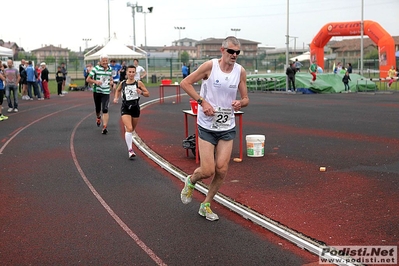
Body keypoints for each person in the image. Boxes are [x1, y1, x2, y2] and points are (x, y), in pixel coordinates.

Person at [179, 36, 249, 221]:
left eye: (237, 52)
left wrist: (240, 103)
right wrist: (202, 102)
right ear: (222, 50)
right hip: (207, 125)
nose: (234, 55)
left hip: (227, 126)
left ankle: (206, 204)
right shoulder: (210, 67)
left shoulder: (240, 71)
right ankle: (191, 180)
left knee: (222, 169)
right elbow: (185, 83)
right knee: (208, 170)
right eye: (231, 51)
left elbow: (246, 98)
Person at [113, 65, 149, 158]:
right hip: (125, 108)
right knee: (129, 128)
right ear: (127, 73)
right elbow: (117, 90)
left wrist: (141, 92)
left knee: (132, 129)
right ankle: (130, 150)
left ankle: (128, 134)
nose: (131, 74)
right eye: (130, 72)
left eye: (133, 72)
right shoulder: (123, 83)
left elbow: (147, 94)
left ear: (135, 73)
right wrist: (116, 98)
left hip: (135, 108)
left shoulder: (139, 83)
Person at [86, 54, 114, 135]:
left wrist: (111, 82)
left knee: (105, 109)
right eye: (103, 61)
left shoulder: (110, 69)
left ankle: (105, 127)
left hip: (106, 92)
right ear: (100, 61)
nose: (105, 62)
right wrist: (96, 82)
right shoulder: (96, 69)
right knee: (98, 109)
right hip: (97, 91)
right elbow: (88, 79)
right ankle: (98, 117)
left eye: (106, 61)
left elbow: (110, 77)